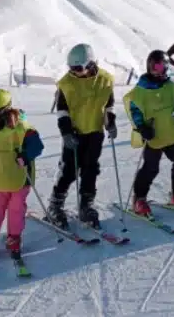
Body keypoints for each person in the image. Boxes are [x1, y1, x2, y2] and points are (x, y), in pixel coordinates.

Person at [47, 43, 116, 229]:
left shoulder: (106, 80)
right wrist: (66, 132)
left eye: (78, 68)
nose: (74, 72)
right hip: (74, 133)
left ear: (91, 63)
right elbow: (62, 111)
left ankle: (86, 205)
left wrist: (110, 121)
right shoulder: (66, 84)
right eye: (71, 68)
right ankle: (55, 204)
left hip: (95, 132)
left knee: (90, 169)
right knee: (69, 170)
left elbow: (109, 105)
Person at [125, 50, 174, 217]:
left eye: (162, 66)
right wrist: (141, 127)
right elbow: (134, 110)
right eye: (155, 66)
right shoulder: (141, 90)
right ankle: (139, 199)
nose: (158, 70)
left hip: (170, 132)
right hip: (153, 135)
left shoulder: (169, 86)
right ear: (149, 66)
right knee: (151, 168)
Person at [0, 89, 44, 266]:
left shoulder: (23, 128)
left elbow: (37, 146)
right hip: (1, 177)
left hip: (20, 178)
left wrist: (25, 156)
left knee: (16, 209)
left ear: (4, 110)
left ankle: (14, 238)